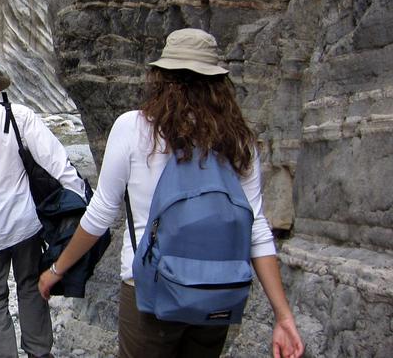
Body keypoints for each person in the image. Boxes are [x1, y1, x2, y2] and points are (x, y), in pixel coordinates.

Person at [37, 29, 304, 358]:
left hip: (150, 292)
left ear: (160, 77)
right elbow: (257, 228)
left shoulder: (134, 128)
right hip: (217, 292)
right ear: (218, 84)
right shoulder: (238, 140)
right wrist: (283, 316)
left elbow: (100, 215)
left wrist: (57, 270)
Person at [0, 59, 87, 358]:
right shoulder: (19, 115)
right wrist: (81, 195)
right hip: (25, 223)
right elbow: (55, 159)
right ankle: (38, 352)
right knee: (32, 287)